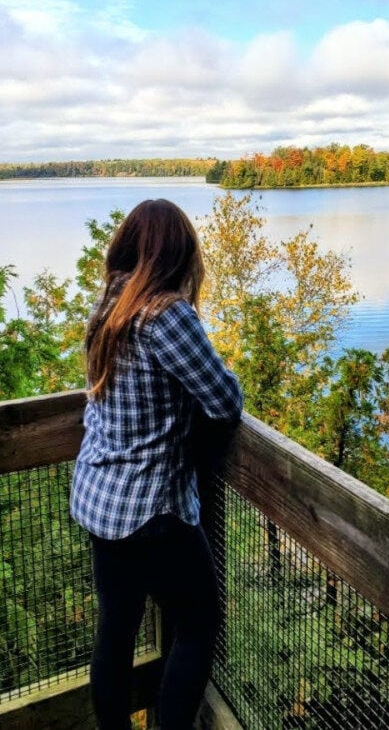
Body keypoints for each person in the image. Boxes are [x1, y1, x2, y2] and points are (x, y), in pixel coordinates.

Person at [70, 198, 243, 730]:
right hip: (151, 509)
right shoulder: (166, 313)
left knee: (116, 631)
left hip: (100, 501)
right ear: (178, 253)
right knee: (199, 622)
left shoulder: (110, 305)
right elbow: (224, 399)